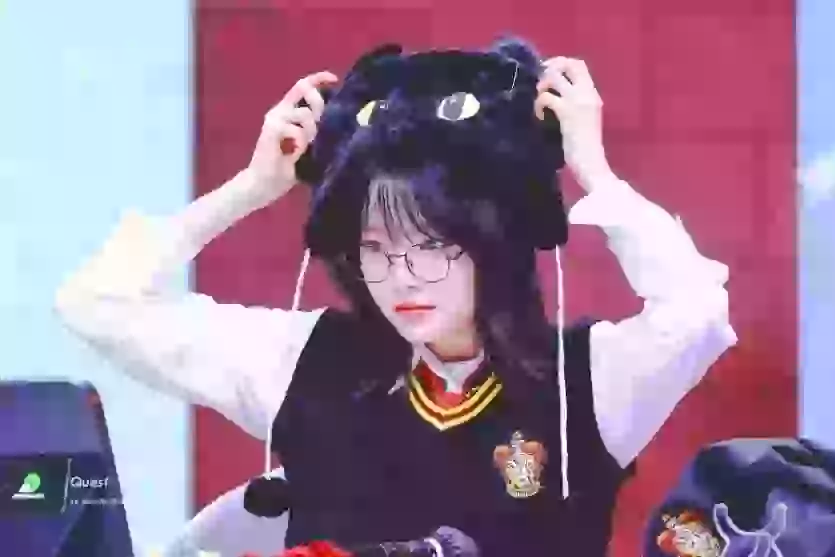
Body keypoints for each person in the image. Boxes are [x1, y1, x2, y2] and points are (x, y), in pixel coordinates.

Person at [54, 38, 737, 556]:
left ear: (493, 239)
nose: (402, 276)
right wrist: (249, 189)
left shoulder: (587, 381)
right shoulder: (302, 361)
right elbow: (96, 303)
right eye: (375, 248)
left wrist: (595, 172)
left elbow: (697, 317)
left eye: (433, 244)